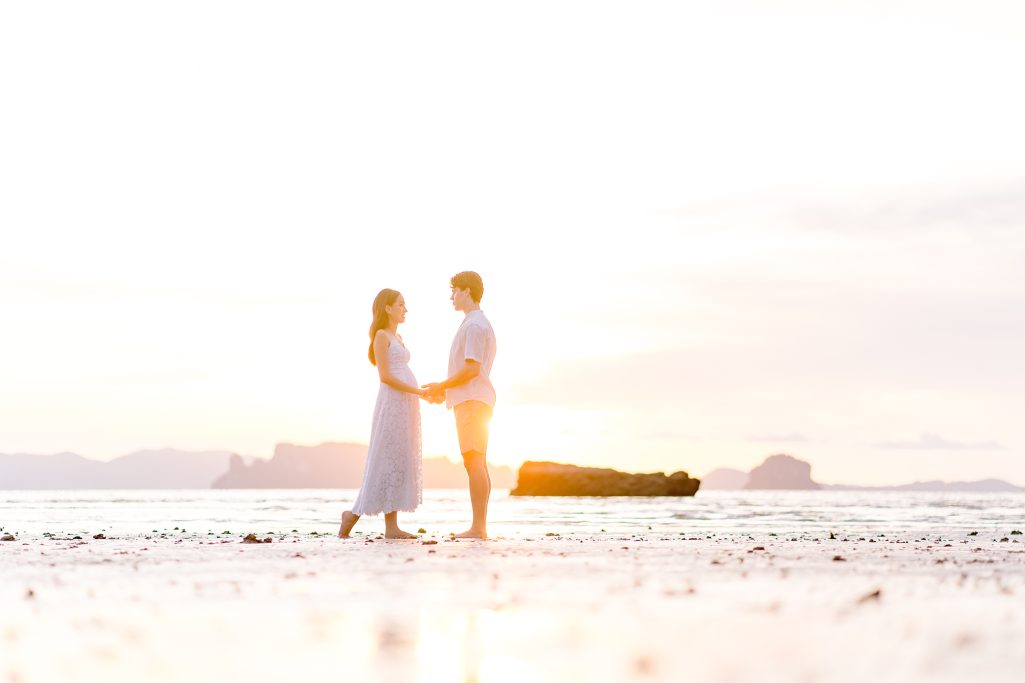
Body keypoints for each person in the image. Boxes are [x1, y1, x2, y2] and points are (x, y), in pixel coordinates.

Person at [338, 289, 434, 539]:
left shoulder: (398, 336)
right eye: (401, 305)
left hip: (407, 405)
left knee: (399, 459)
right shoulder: (381, 336)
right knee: (385, 459)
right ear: (388, 308)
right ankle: (354, 514)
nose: (405, 309)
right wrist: (417, 391)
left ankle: (391, 526)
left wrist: (418, 393)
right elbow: (386, 377)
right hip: (392, 404)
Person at [422, 271, 497, 539]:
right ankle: (479, 526)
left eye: (454, 290)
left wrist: (442, 387)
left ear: (466, 291)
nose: (451, 296)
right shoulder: (473, 323)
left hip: (473, 401)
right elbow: (467, 372)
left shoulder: (475, 325)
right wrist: (444, 393)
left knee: (474, 461)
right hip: (471, 399)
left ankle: (478, 528)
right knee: (475, 461)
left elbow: (472, 369)